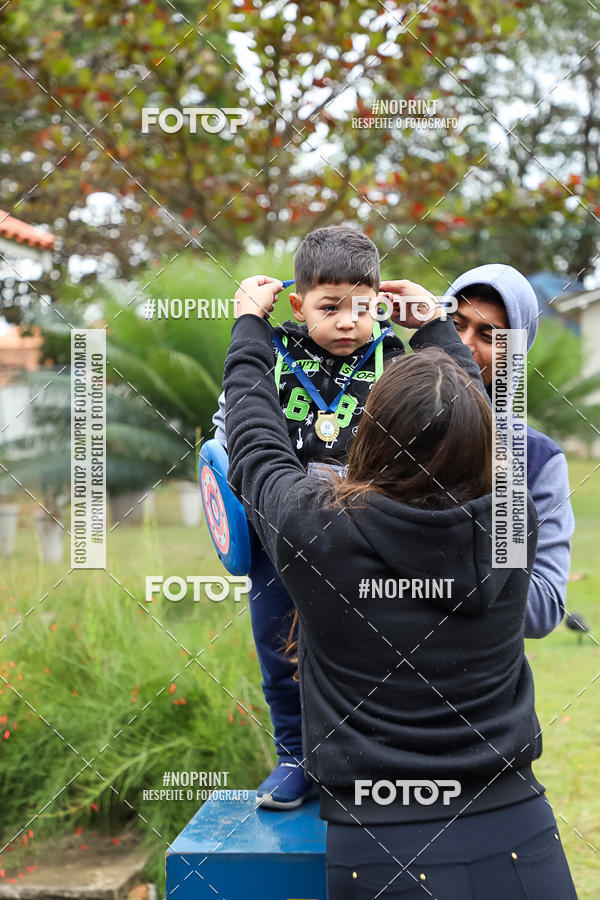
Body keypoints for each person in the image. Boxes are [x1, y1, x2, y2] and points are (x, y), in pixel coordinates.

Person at [222, 275, 578, 899]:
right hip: (520, 835)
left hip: (382, 849)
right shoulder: (512, 523)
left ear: (370, 431)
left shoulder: (316, 532)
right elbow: (486, 430)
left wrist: (251, 328)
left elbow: (254, 443)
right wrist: (435, 332)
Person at [211, 225, 482, 808]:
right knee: (276, 644)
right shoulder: (272, 353)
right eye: (328, 307)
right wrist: (249, 327)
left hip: (375, 540)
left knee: (375, 649)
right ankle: (293, 755)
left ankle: (370, 755)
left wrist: (434, 325)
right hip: (283, 538)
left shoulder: (400, 359)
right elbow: (244, 415)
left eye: (362, 308)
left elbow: (464, 406)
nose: (345, 322)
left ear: (382, 304)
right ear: (296, 302)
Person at [446, 265, 575, 638]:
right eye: (455, 324)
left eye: (489, 335)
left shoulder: (535, 460)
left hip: (479, 686)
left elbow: (543, 608)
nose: (463, 345)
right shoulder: (383, 426)